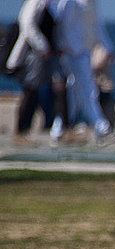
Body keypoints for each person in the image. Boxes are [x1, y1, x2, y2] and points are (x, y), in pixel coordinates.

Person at [50, 0, 115, 146]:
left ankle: (98, 127)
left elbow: (96, 25)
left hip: (82, 51)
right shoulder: (69, 2)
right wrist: (65, 46)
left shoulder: (90, 3)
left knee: (83, 90)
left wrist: (108, 47)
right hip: (70, 52)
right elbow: (63, 24)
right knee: (77, 91)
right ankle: (99, 127)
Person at [5, 0, 69, 147]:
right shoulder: (36, 2)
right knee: (31, 90)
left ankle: (65, 129)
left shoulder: (53, 5)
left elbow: (55, 28)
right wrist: (42, 46)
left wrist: (58, 45)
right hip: (36, 53)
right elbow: (27, 25)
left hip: (51, 53)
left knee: (60, 87)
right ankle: (20, 131)